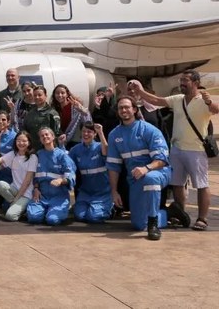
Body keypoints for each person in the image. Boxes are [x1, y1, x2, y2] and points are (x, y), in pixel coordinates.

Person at [129, 72, 218, 231]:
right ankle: (181, 214)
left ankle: (202, 219)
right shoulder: (178, 99)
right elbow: (156, 100)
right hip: (177, 149)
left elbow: (216, 110)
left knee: (201, 185)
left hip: (196, 150)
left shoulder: (203, 100)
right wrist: (140, 91)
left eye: (186, 80)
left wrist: (209, 101)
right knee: (177, 184)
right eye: (181, 80)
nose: (182, 83)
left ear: (196, 82)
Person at [106, 95, 189, 240]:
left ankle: (153, 226)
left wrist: (146, 168)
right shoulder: (114, 135)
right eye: (120, 108)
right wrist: (114, 191)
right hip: (136, 178)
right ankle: (169, 213)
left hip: (158, 172)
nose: (124, 110)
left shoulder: (149, 130)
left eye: (127, 107)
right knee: (138, 224)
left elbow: (162, 160)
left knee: (150, 179)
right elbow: (113, 165)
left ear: (134, 110)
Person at [26, 127, 76, 226]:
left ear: (53, 137)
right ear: (40, 139)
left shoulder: (62, 155)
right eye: (42, 136)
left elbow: (71, 175)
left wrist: (61, 181)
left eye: (47, 134)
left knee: (52, 220)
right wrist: (36, 188)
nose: (44, 137)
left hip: (59, 196)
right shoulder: (38, 155)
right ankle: (44, 211)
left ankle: (58, 211)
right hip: (42, 196)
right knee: (33, 218)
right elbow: (35, 176)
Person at [0, 130, 38, 221]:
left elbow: (27, 182)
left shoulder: (32, 157)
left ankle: (24, 208)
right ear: (15, 142)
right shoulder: (13, 154)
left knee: (10, 216)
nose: (21, 143)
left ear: (29, 142)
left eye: (24, 141)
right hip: (14, 189)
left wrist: (17, 199)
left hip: (26, 193)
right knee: (0, 185)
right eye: (18, 140)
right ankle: (18, 207)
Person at [68, 122, 111, 223]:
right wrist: (61, 145)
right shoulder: (75, 150)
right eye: (83, 131)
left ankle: (110, 208)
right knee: (80, 216)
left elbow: (107, 152)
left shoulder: (100, 146)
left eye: (89, 132)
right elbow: (67, 164)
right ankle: (90, 207)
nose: (86, 134)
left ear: (94, 134)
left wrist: (101, 132)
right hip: (85, 192)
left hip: (102, 192)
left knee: (93, 217)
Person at [51, 84, 92, 150]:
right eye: (57, 93)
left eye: (62, 93)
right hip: (62, 141)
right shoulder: (54, 109)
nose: (60, 95)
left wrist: (81, 109)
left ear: (67, 94)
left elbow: (87, 121)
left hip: (75, 141)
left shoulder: (74, 106)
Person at [23, 85, 61, 151]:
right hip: (33, 150)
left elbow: (56, 134)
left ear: (45, 96)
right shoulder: (30, 113)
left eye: (40, 95)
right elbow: (25, 131)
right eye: (35, 95)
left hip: (48, 150)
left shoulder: (52, 113)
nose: (37, 97)